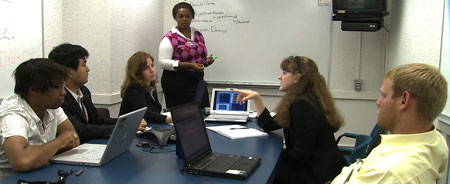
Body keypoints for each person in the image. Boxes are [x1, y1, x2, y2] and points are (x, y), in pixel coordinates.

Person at [234, 56, 347, 183]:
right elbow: (269, 124)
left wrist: (266, 159)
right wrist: (257, 98)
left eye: (284, 73)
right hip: (315, 166)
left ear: (297, 78)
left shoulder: (303, 104)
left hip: (317, 174)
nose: (280, 77)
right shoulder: (302, 98)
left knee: (258, 174)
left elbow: (300, 155)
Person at [331, 63, 449, 183]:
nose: (378, 102)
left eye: (384, 95)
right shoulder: (433, 140)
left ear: (404, 100)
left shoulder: (391, 172)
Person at [48, 43, 147, 143]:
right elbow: (81, 130)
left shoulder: (84, 91)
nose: (88, 69)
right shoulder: (59, 98)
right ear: (69, 72)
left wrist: (127, 122)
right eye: (83, 65)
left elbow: (97, 121)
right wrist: (125, 127)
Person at [0, 59, 80, 178]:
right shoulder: (13, 115)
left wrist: (38, 153)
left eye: (64, 86)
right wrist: (60, 142)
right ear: (34, 90)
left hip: (43, 172)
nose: (64, 92)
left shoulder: (51, 105)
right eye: (58, 87)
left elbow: (73, 139)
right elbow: (22, 161)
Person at [158, 2, 213, 108]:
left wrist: (205, 62)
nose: (184, 19)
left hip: (197, 81)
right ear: (175, 17)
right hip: (177, 83)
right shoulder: (170, 37)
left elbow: (197, 59)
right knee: (184, 117)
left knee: (202, 112)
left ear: (192, 17)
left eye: (187, 16)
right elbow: (162, 62)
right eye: (180, 16)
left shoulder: (198, 35)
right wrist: (189, 65)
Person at [119, 51, 172, 124]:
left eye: (152, 65)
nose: (152, 70)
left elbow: (155, 111)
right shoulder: (134, 87)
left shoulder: (150, 85)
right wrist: (170, 119)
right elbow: (146, 114)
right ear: (137, 72)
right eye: (146, 68)